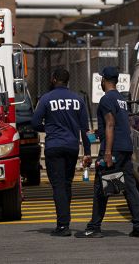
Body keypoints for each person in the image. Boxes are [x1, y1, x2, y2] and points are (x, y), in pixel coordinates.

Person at [82, 66, 139, 239]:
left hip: (113, 149)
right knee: (130, 188)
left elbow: (110, 124)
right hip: (125, 147)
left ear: (104, 80)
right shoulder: (120, 99)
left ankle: (94, 227)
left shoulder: (106, 100)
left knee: (100, 186)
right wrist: (98, 134)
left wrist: (107, 152)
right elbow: (118, 124)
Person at [32, 68, 92, 237]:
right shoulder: (78, 100)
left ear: (53, 79)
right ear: (68, 81)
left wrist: (48, 128)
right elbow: (85, 129)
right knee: (66, 184)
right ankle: (66, 219)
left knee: (58, 186)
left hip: (54, 146)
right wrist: (87, 152)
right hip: (72, 147)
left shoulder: (46, 99)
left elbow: (35, 122)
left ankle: (63, 225)